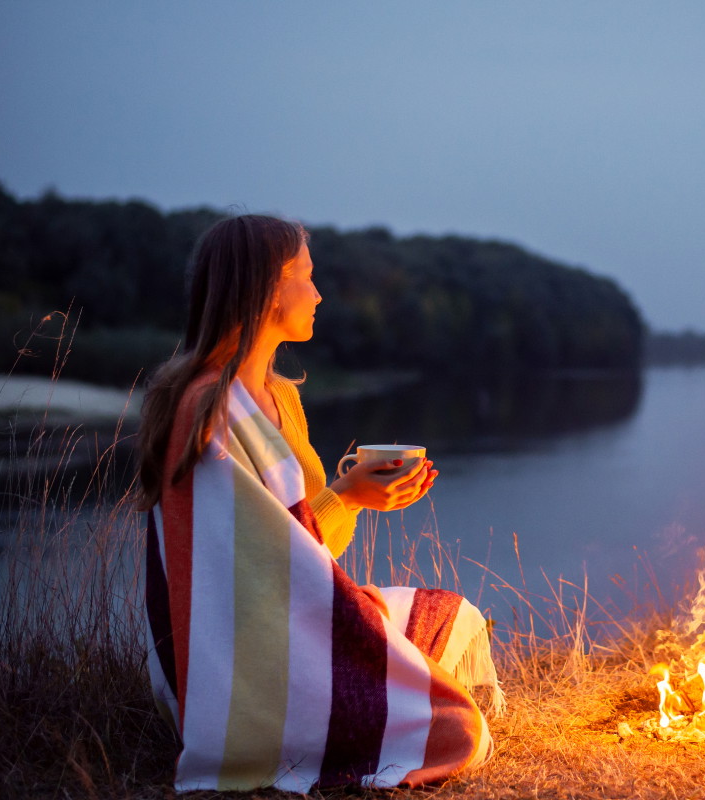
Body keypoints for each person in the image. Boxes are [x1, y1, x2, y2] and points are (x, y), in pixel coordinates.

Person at [137, 215, 499, 793]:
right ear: (264, 290)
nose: (318, 293)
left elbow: (306, 551)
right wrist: (346, 494)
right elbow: (244, 574)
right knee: (453, 727)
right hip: (239, 660)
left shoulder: (281, 395)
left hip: (293, 621)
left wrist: (356, 499)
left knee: (453, 613)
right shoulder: (204, 411)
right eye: (305, 275)